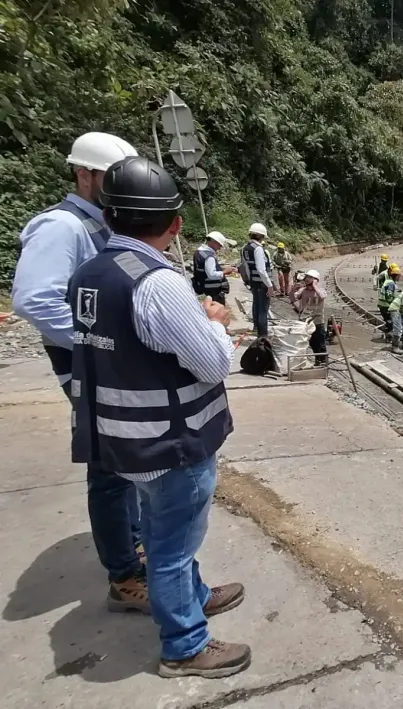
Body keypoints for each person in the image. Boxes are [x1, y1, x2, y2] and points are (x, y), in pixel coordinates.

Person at [69, 155, 249, 678]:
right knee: (171, 546)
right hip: (170, 442)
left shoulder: (89, 272)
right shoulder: (156, 282)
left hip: (121, 439)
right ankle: (185, 645)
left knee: (165, 533)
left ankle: (194, 597)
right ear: (174, 225)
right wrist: (213, 321)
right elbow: (214, 363)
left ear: (107, 215)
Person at [11, 132, 148, 609]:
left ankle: (133, 548)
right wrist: (96, 342)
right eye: (111, 179)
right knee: (110, 467)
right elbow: (34, 299)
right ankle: (126, 577)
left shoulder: (102, 225)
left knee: (125, 460)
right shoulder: (61, 227)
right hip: (85, 363)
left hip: (106, 359)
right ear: (83, 174)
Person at [241, 223, 273, 337]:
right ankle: (263, 336)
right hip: (262, 283)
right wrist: (269, 285)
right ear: (261, 236)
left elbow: (246, 267)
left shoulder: (245, 248)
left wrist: (250, 281)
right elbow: (261, 269)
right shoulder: (258, 249)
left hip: (254, 283)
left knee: (256, 306)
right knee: (263, 310)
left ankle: (256, 330)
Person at [290, 269, 328, 364]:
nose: (307, 280)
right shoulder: (303, 290)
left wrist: (314, 286)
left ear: (315, 280)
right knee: (305, 343)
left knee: (319, 345)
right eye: (306, 277)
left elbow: (322, 296)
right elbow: (293, 297)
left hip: (317, 322)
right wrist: (293, 289)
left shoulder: (320, 291)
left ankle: (321, 363)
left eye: (310, 278)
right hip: (305, 323)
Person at [192, 231, 236, 304]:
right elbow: (212, 275)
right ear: (214, 242)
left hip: (203, 288)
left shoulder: (199, 252)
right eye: (219, 245)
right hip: (213, 292)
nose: (220, 247)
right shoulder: (209, 256)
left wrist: (221, 268)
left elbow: (204, 269)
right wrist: (225, 271)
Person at [376, 263, 401, 340]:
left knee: (389, 322)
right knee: (390, 322)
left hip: (383, 305)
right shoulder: (390, 283)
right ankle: (389, 337)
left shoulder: (390, 281)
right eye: (399, 275)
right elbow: (388, 296)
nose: (400, 277)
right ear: (396, 275)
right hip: (385, 305)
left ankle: (388, 336)